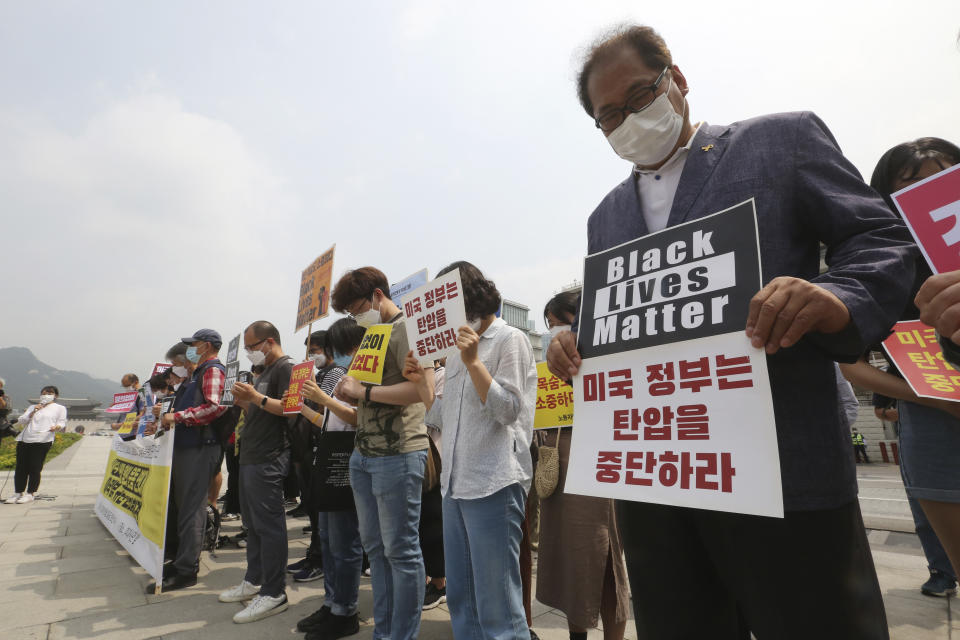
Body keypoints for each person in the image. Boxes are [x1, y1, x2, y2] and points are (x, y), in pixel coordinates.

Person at [547, 25, 917, 638]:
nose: (630, 120)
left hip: (783, 474)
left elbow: (879, 238)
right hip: (656, 483)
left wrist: (835, 297)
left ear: (678, 81)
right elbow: (616, 324)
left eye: (640, 97)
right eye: (610, 115)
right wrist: (574, 344)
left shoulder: (780, 141)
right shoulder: (605, 216)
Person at [843, 137, 960, 596]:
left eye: (946, 177)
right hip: (934, 423)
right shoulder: (883, 271)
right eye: (910, 185)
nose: (933, 191)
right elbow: (849, 363)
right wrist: (929, 398)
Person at [404, 261, 536, 640]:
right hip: (455, 485)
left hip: (494, 482)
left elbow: (509, 410)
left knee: (498, 604)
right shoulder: (457, 350)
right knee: (462, 598)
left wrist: (475, 362)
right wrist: (423, 379)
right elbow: (442, 415)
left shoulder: (509, 339)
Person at [330, 267, 432, 640]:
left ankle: (401, 634)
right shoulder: (372, 334)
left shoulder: (408, 329)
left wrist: (365, 394)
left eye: (356, 308)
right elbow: (362, 387)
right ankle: (385, 631)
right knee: (376, 550)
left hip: (399, 451)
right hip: (365, 454)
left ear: (376, 295)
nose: (354, 317)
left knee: (401, 551)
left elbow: (418, 391)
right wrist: (347, 389)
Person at [537, 291, 630, 640]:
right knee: (569, 559)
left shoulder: (610, 349)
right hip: (559, 455)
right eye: (548, 328)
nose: (553, 334)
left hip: (599, 455)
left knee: (603, 559)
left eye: (557, 324)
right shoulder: (549, 362)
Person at [293, 317, 367, 640]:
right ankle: (331, 602)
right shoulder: (344, 376)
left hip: (346, 461)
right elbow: (331, 420)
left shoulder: (362, 376)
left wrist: (323, 399)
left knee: (344, 542)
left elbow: (359, 418)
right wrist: (306, 408)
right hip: (329, 457)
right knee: (327, 537)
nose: (334, 355)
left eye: (339, 347)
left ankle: (346, 610)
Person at [220, 321, 294, 624]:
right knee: (253, 524)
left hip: (269, 456)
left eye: (253, 347)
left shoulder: (285, 368)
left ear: (270, 341)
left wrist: (256, 398)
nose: (250, 352)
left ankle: (275, 592)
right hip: (251, 455)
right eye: (247, 347)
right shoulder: (262, 373)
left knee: (269, 525)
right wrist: (246, 402)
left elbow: (291, 407)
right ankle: (254, 580)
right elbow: (261, 411)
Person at [146, 329, 228, 593]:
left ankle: (187, 570)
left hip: (201, 447)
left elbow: (216, 407)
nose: (190, 349)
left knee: (192, 509)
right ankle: (182, 559)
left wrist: (177, 417)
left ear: (204, 346)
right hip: (188, 446)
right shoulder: (197, 374)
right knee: (184, 508)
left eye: (192, 345)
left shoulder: (212, 370)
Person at [4, 386, 66, 504]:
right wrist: (33, 412)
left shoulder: (60, 408)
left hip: (43, 439)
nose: (46, 395)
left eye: (49, 393)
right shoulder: (33, 407)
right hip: (25, 439)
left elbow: (62, 423)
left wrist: (56, 427)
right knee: (21, 467)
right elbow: (22, 420)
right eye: (43, 393)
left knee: (35, 467)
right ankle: (18, 493)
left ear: (55, 395)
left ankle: (30, 493)